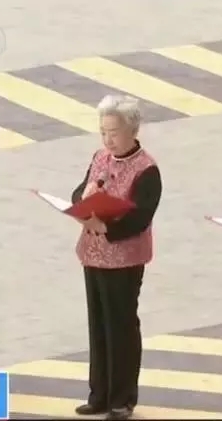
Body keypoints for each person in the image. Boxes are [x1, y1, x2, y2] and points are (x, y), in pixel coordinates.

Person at [71, 95, 163, 420]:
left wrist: (106, 226)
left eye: (114, 132)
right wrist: (82, 202)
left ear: (132, 130)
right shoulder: (100, 157)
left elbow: (140, 217)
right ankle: (99, 394)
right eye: (103, 132)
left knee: (120, 325)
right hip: (93, 253)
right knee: (98, 324)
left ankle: (122, 399)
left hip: (124, 257)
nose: (108, 140)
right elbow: (79, 190)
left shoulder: (146, 169)